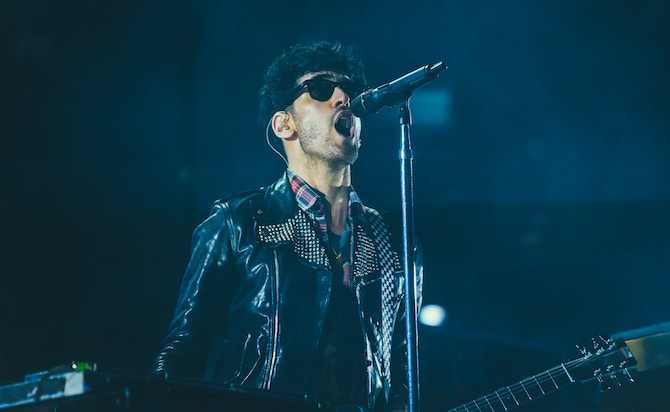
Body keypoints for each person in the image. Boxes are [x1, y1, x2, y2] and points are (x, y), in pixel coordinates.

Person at [152, 40, 423, 412]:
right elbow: (181, 354)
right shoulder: (237, 224)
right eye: (322, 89)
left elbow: (403, 377)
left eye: (351, 89)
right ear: (284, 124)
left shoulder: (395, 239)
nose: (344, 97)